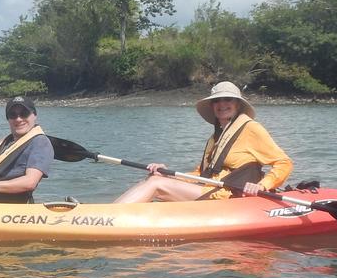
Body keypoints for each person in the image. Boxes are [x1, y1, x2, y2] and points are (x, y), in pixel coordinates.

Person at [113, 81, 292, 203]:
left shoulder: (251, 129)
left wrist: (262, 185)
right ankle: (111, 214)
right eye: (216, 101)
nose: (222, 104)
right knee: (156, 177)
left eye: (228, 99)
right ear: (212, 106)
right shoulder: (216, 137)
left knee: (156, 185)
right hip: (208, 189)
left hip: (227, 195)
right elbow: (201, 174)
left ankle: (108, 218)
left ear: (237, 104)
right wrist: (168, 173)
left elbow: (284, 163)